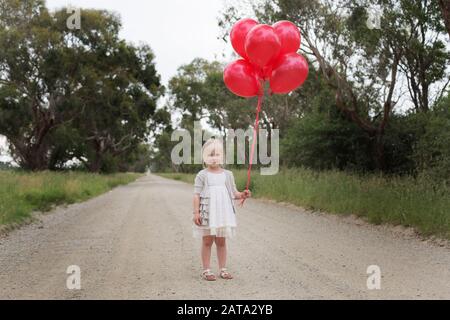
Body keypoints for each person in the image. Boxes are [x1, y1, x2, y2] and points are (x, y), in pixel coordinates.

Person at [192, 138, 251, 281]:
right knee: (207, 241)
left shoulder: (228, 175)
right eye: (210, 155)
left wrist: (242, 194)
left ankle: (223, 269)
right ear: (204, 157)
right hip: (208, 213)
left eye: (217, 154)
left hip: (222, 213)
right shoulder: (202, 175)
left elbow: (234, 194)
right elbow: (196, 195)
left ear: (222, 156)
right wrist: (196, 212)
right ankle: (206, 270)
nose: (214, 158)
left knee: (221, 241)